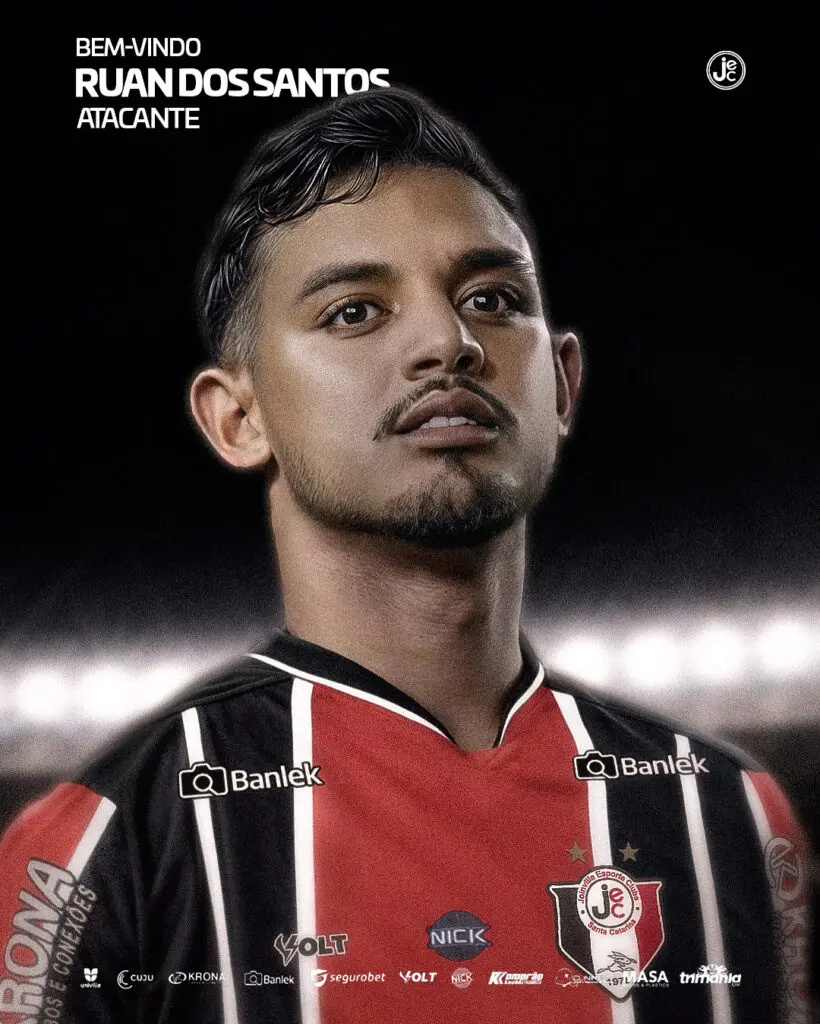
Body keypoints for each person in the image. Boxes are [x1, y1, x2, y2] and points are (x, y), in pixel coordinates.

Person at [0, 88, 810, 1024]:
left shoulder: (734, 816)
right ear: (238, 417)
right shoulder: (102, 846)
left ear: (561, 384)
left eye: (492, 299)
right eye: (354, 311)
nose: (448, 342)